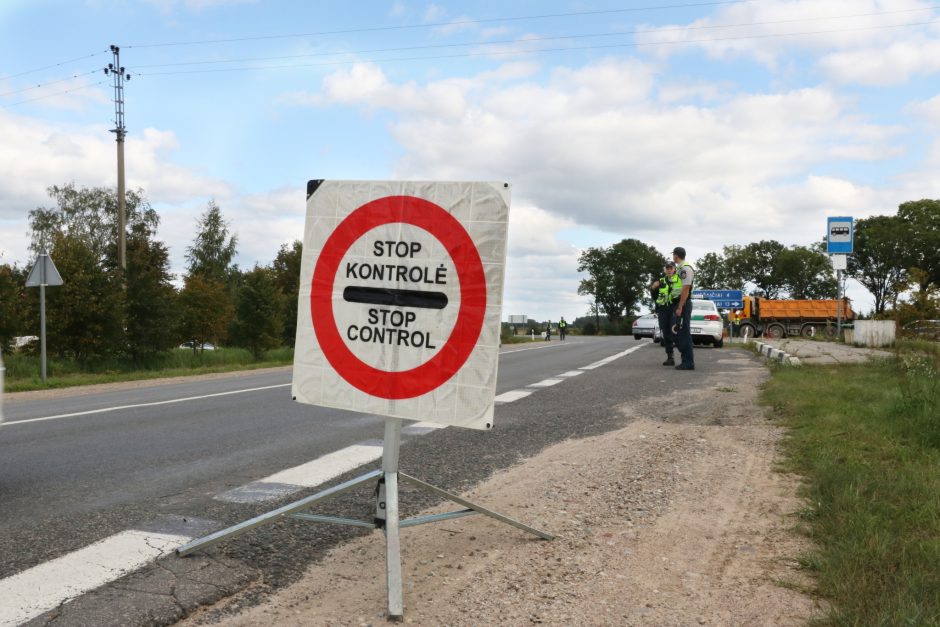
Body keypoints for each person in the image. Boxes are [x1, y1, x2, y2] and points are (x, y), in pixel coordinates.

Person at [650, 260, 682, 365]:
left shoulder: (680, 280)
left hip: (674, 309)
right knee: (666, 334)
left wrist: (680, 307)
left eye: (671, 268)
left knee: (675, 332)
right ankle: (670, 357)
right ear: (665, 269)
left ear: (674, 269)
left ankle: (685, 354)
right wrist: (653, 288)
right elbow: (654, 297)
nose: (669, 270)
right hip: (663, 310)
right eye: (667, 268)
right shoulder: (661, 281)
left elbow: (684, 294)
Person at [671, 247, 696, 370]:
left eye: (673, 255)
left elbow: (686, 288)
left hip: (683, 304)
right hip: (679, 303)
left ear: (676, 256)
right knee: (677, 332)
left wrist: (680, 306)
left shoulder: (685, 269)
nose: (673, 257)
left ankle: (688, 362)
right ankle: (685, 360)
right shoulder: (680, 269)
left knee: (684, 332)